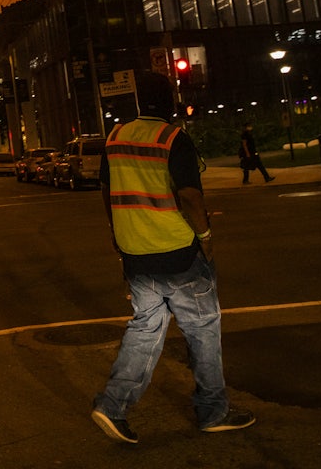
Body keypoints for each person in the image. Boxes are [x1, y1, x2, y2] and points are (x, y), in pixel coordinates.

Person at [90, 71, 255, 444]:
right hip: (179, 254)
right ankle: (214, 412)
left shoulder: (115, 138)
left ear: (136, 101)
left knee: (145, 329)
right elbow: (190, 197)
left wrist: (117, 232)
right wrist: (206, 237)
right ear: (170, 102)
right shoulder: (172, 138)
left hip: (136, 254)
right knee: (203, 331)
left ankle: (113, 405)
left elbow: (106, 189)